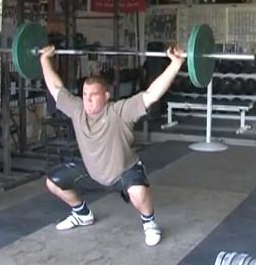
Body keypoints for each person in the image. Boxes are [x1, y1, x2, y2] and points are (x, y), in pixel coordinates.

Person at [39, 44, 184, 247]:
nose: (87, 100)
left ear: (106, 96)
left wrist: (175, 64)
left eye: (93, 95)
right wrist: (44, 59)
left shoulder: (120, 112)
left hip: (123, 172)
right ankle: (81, 214)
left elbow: (152, 94)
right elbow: (55, 89)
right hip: (92, 173)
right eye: (85, 95)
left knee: (138, 191)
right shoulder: (77, 110)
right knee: (53, 182)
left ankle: (149, 223)